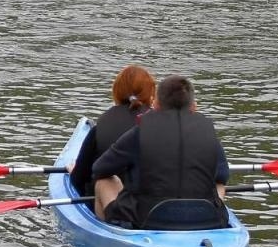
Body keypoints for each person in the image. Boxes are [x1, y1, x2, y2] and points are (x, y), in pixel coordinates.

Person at [92, 74, 229, 230]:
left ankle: (109, 234)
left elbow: (99, 169)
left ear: (155, 105)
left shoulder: (140, 131)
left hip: (148, 221)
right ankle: (206, 225)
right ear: (194, 107)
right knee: (219, 184)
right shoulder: (207, 131)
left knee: (104, 182)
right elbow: (222, 176)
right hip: (207, 217)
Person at [69, 65, 158, 215]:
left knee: (100, 182)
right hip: (155, 206)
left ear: (116, 91)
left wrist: (73, 172)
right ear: (151, 93)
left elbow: (79, 180)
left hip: (116, 207)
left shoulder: (103, 123)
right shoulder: (163, 123)